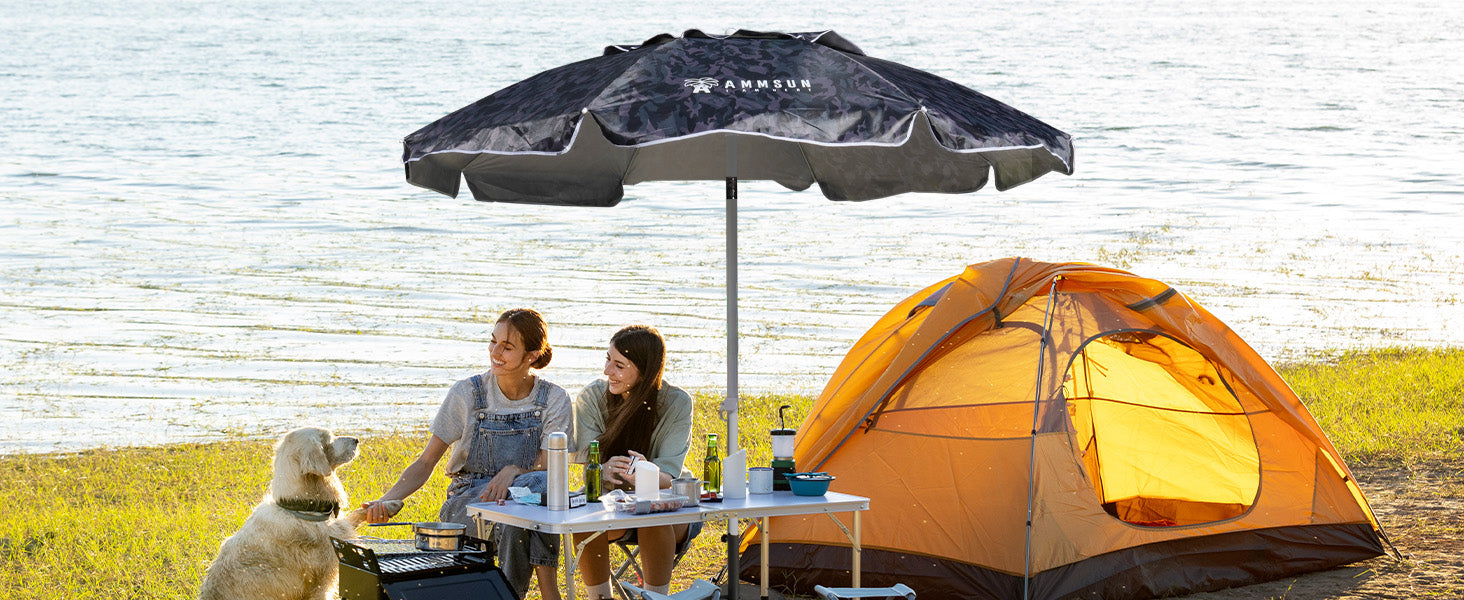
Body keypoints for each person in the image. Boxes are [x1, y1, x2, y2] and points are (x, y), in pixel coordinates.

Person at [362, 308, 568, 600]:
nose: (495, 352)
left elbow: (549, 473)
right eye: (492, 342)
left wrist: (512, 472)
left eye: (507, 347)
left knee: (526, 506)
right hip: (469, 499)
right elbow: (425, 462)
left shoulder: (553, 399)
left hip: (524, 497)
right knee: (524, 513)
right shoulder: (468, 393)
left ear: (531, 355)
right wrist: (385, 500)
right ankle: (549, 594)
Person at [573, 325, 700, 599]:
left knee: (653, 517)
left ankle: (655, 596)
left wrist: (646, 473)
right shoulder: (592, 397)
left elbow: (669, 476)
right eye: (607, 359)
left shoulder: (676, 402)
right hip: (612, 503)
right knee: (584, 524)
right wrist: (603, 470)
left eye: (619, 365)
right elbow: (587, 466)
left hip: (668, 504)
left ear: (645, 370)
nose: (608, 371)